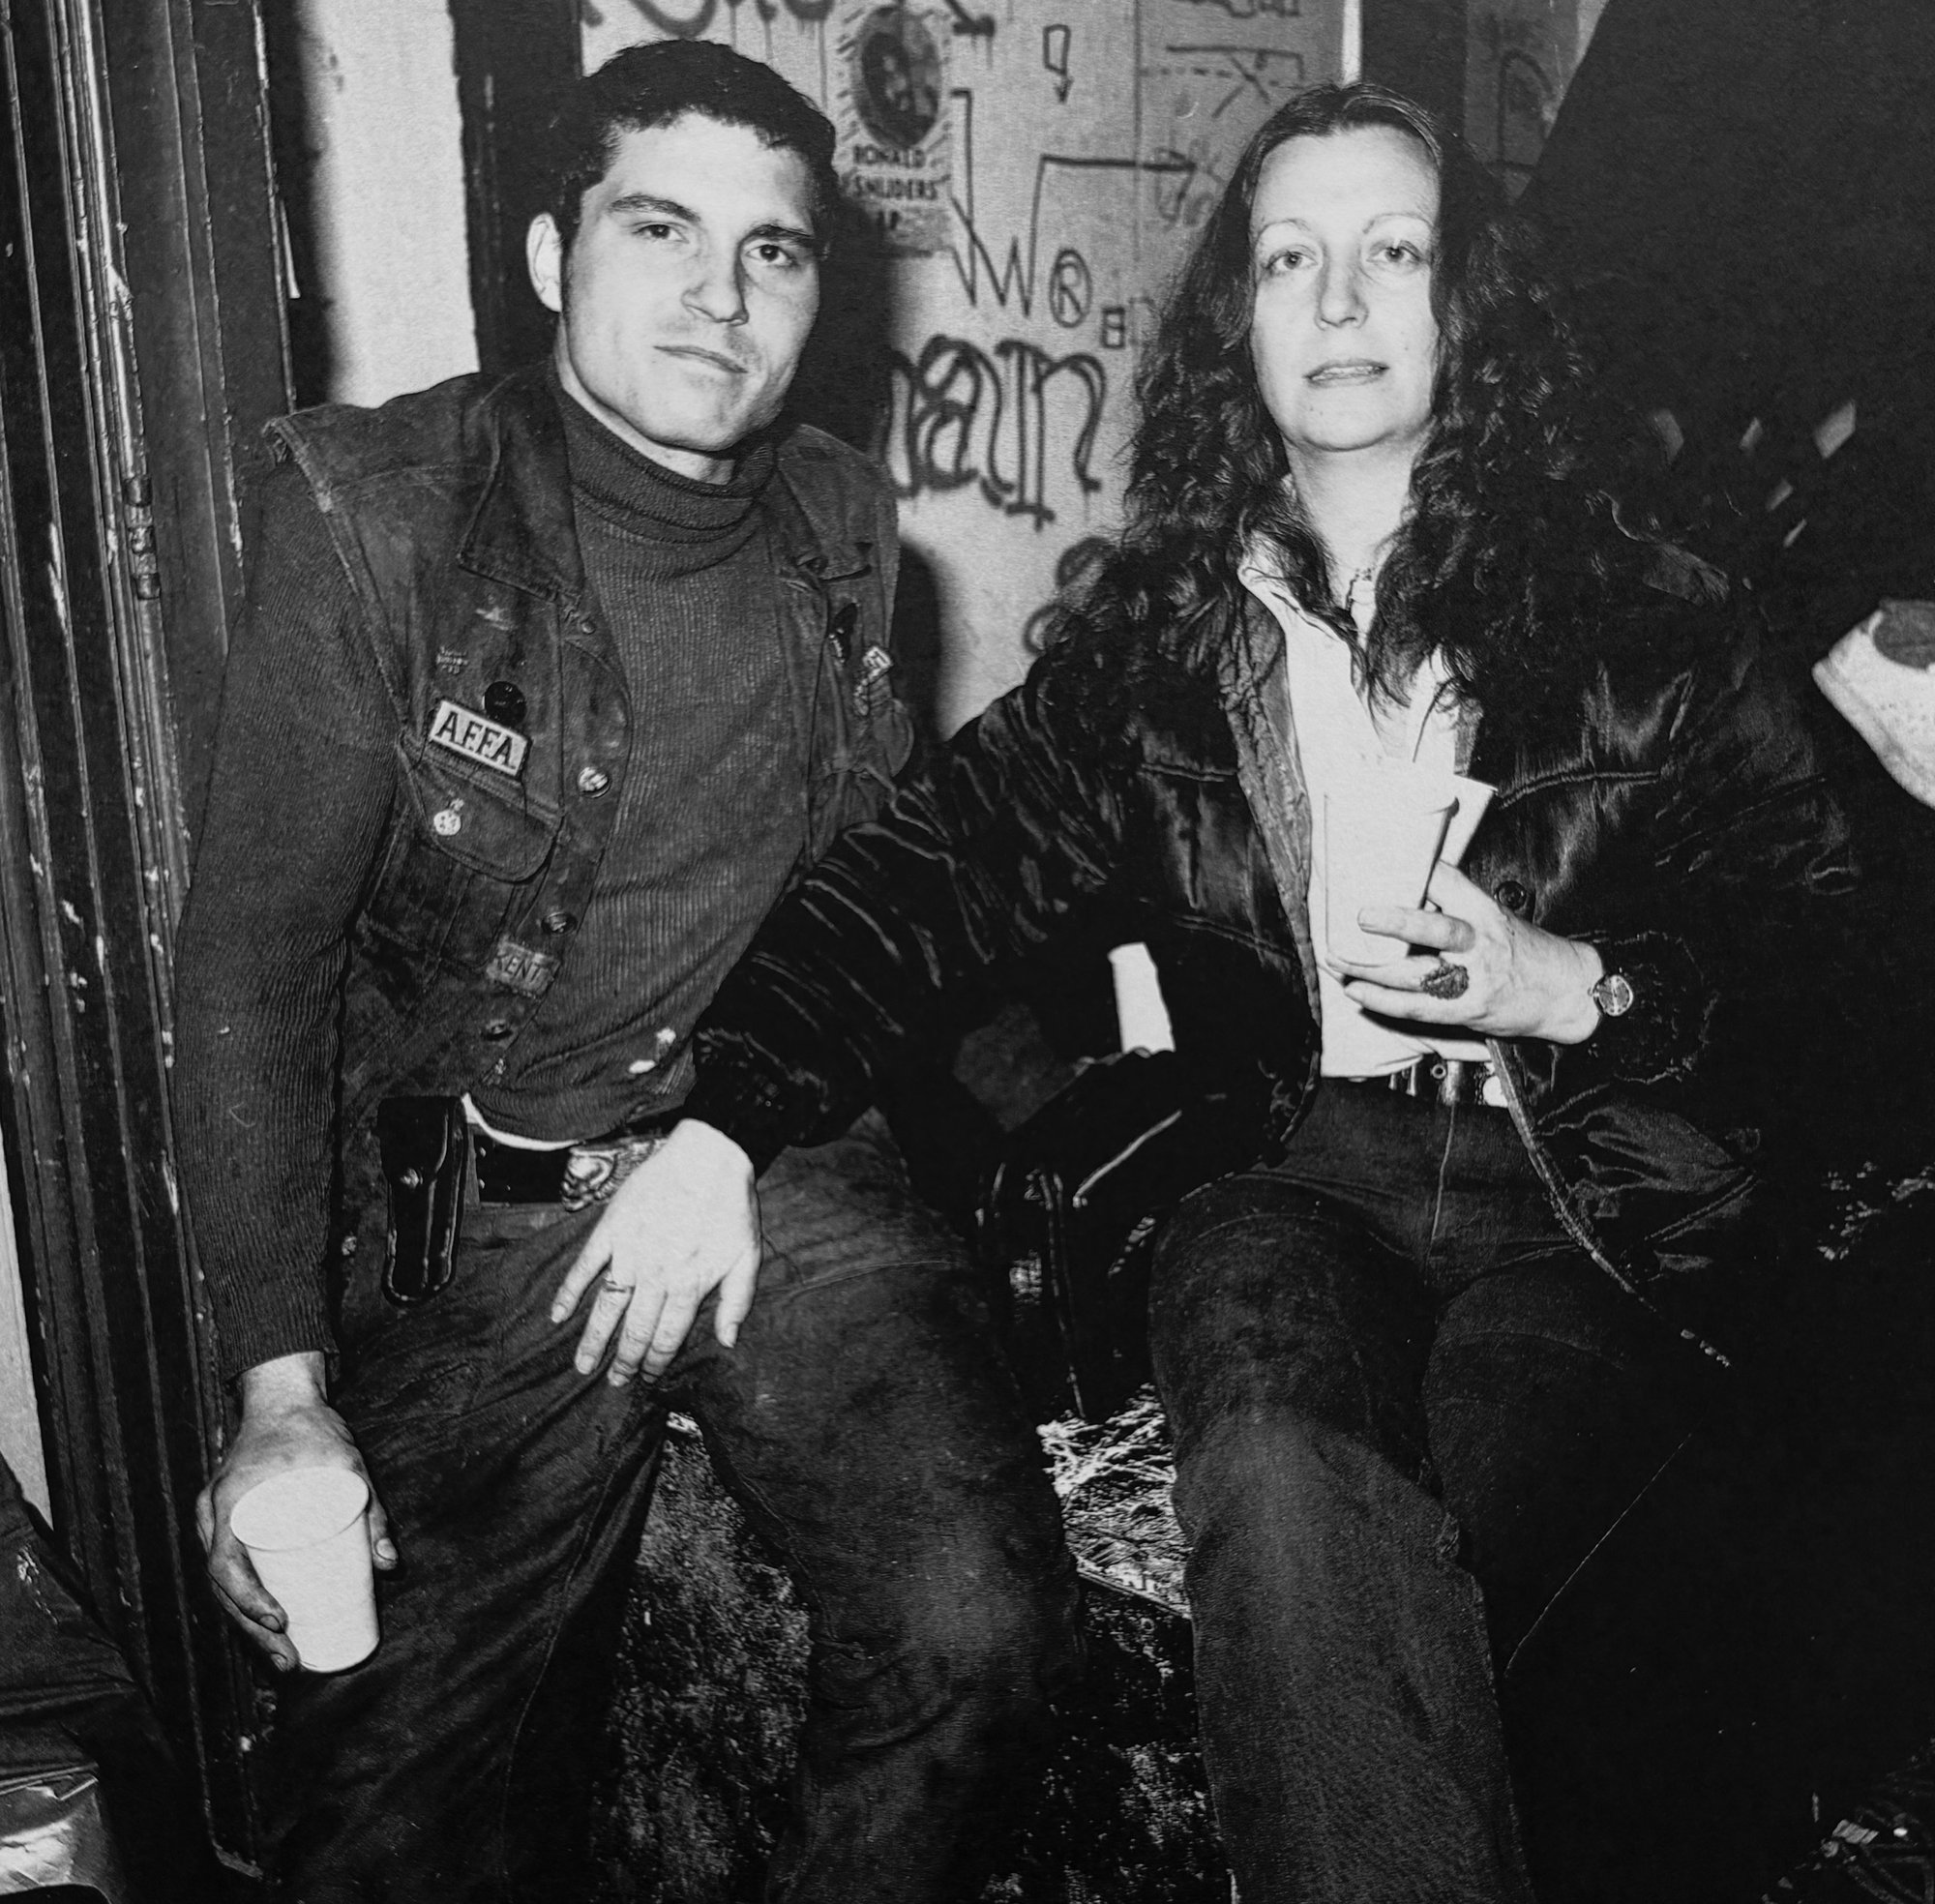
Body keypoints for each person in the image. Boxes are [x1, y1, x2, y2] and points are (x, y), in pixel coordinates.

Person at [574, 81, 1859, 1902]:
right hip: (1289, 1173)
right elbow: (913, 879)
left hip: (1588, 1198)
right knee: (1270, 1464)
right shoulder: (1161, 656)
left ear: (1466, 307)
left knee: (1456, 1553)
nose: (1338, 303)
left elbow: (1838, 972)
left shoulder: (1654, 619)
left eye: (1393, 254)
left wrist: (1577, 986)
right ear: (1237, 321)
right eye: (1288, 259)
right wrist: (721, 1119)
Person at [175, 39, 1079, 1903]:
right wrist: (275, 1390)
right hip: (484, 1210)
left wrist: (755, 1134)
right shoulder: (381, 519)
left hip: (771, 1156)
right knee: (380, 1828)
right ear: (548, 254)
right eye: (660, 228)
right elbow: (255, 971)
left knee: (978, 1635)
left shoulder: (846, 529)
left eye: (773, 251)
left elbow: (877, 906)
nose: (718, 294)